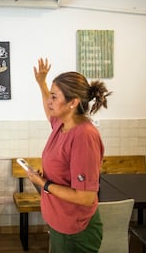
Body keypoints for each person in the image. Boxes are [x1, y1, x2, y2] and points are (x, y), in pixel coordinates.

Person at [27, 58, 112, 253]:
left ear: (73, 102)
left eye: (54, 96)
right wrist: (42, 83)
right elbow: (49, 111)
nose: (50, 100)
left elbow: (85, 197)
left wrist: (44, 185)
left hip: (75, 230)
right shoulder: (62, 124)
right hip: (60, 222)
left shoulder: (84, 136)